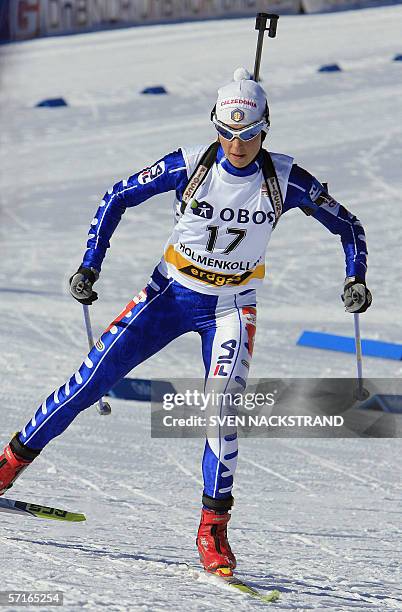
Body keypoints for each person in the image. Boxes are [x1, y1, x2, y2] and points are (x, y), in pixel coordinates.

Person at [0, 68, 371, 575]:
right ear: (215, 125)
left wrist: (356, 279)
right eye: (227, 132)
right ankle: (8, 466)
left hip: (231, 306)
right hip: (168, 293)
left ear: (266, 129)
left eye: (248, 134)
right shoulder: (190, 163)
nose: (236, 144)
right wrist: (91, 263)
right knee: (89, 381)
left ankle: (212, 529)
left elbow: (348, 225)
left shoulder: (285, 178)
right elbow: (117, 196)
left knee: (223, 410)